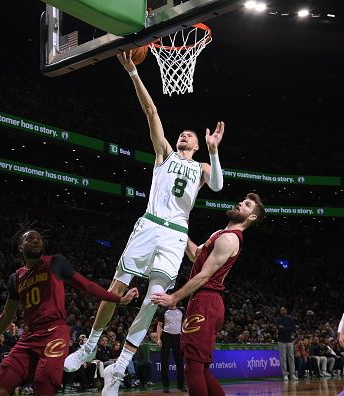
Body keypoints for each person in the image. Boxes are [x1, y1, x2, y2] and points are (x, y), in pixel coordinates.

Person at [64, 49, 226, 396]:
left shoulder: (202, 168)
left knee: (153, 301)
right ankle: (90, 345)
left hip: (175, 236)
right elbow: (151, 111)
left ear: (197, 145)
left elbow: (218, 187)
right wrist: (134, 74)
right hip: (149, 225)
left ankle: (120, 367)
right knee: (116, 287)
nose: (183, 136)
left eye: (189, 135)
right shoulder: (164, 155)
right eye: (181, 134)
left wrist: (213, 150)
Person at [0, 229, 138, 396]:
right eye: (31, 238)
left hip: (54, 333)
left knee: (44, 387)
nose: (36, 240)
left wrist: (119, 299)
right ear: (21, 247)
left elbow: (87, 286)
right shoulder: (15, 278)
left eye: (39, 238)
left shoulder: (55, 262)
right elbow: (6, 316)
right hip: (29, 338)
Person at [152, 193, 264, 395]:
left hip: (206, 301)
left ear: (252, 217)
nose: (239, 203)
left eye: (247, 205)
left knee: (193, 367)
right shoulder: (220, 233)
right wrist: (181, 230)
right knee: (200, 368)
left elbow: (204, 275)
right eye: (241, 200)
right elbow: (196, 256)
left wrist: (174, 298)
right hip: (202, 300)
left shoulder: (230, 239)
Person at [156, 302, 186, 392]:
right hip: (166, 336)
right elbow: (159, 325)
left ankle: (181, 385)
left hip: (178, 337)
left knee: (180, 362)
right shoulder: (163, 311)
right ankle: (166, 386)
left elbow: (184, 324)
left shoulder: (182, 310)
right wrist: (158, 339)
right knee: (164, 361)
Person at [275, 306, 299, 381]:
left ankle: (292, 374)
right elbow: (280, 329)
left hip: (289, 340)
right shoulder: (278, 319)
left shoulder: (290, 318)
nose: (282, 311)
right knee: (283, 358)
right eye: (281, 310)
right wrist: (288, 328)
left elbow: (294, 328)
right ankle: (285, 374)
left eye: (284, 310)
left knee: (291, 358)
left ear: (286, 311)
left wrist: (284, 328)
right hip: (281, 341)